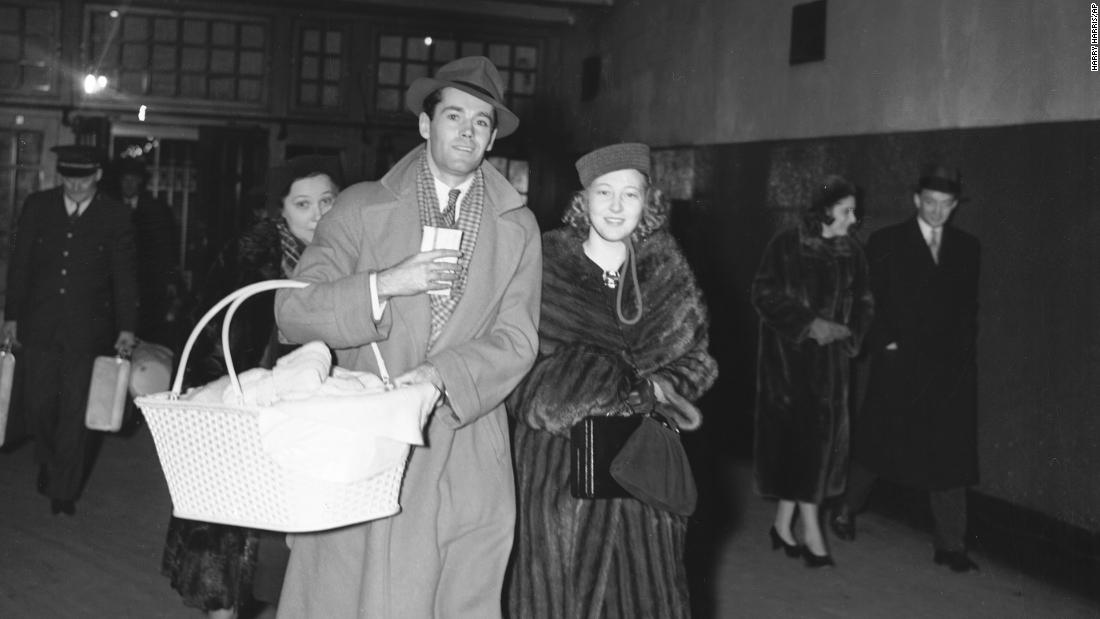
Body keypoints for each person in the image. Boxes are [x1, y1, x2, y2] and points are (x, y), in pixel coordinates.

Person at [272, 56, 541, 618]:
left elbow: (518, 339)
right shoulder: (360, 206)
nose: (467, 132)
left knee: (449, 593)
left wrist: (442, 376)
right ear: (425, 125)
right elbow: (292, 309)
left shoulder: (518, 226)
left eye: (482, 122)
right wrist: (385, 285)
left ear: (492, 139)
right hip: (364, 434)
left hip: (461, 439)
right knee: (351, 592)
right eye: (454, 116)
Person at [506, 143, 717, 618]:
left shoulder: (668, 271)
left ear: (649, 201)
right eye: (604, 192)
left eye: (630, 194)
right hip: (558, 466)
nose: (617, 207)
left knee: (644, 594)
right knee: (557, 591)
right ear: (584, 199)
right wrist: (602, 384)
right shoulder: (543, 266)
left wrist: (659, 388)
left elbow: (698, 360)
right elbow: (517, 366)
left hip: (641, 463)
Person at [160, 155, 341, 619]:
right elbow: (206, 337)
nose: (318, 214)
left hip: (309, 428)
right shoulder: (248, 259)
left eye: (327, 200)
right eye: (303, 203)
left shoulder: (347, 260)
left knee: (288, 562)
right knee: (227, 547)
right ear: (280, 209)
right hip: (240, 422)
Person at [831, 164, 982, 573]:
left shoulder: (968, 249)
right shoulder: (888, 242)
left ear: (954, 206)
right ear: (916, 200)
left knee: (951, 455)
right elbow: (866, 299)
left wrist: (962, 362)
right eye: (929, 203)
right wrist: (885, 341)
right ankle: (846, 509)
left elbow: (968, 313)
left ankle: (951, 545)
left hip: (948, 369)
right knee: (880, 441)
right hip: (900, 361)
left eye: (945, 205)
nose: (937, 212)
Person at [2, 144, 138, 516]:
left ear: (97, 176)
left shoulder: (115, 215)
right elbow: (20, 264)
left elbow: (124, 276)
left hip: (88, 330)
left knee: (76, 409)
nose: (75, 188)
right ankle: (49, 457)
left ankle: (64, 489)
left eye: (83, 181)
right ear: (60, 175)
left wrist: (127, 327)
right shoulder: (38, 206)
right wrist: (10, 316)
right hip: (39, 324)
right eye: (68, 180)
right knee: (40, 404)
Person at [750, 175, 874, 567]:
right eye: (846, 210)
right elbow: (763, 293)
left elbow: (865, 301)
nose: (854, 219)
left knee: (815, 450)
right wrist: (809, 325)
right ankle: (813, 534)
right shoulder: (786, 246)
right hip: (790, 369)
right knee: (806, 449)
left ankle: (782, 525)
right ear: (824, 210)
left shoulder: (852, 252)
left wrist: (851, 336)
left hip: (833, 371)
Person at [114, 157, 182, 347]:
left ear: (140, 182)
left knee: (148, 335)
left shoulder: (155, 209)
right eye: (125, 179)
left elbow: (166, 246)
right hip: (118, 283)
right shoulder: (110, 208)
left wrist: (169, 280)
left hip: (149, 283)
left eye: (133, 180)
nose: (128, 184)